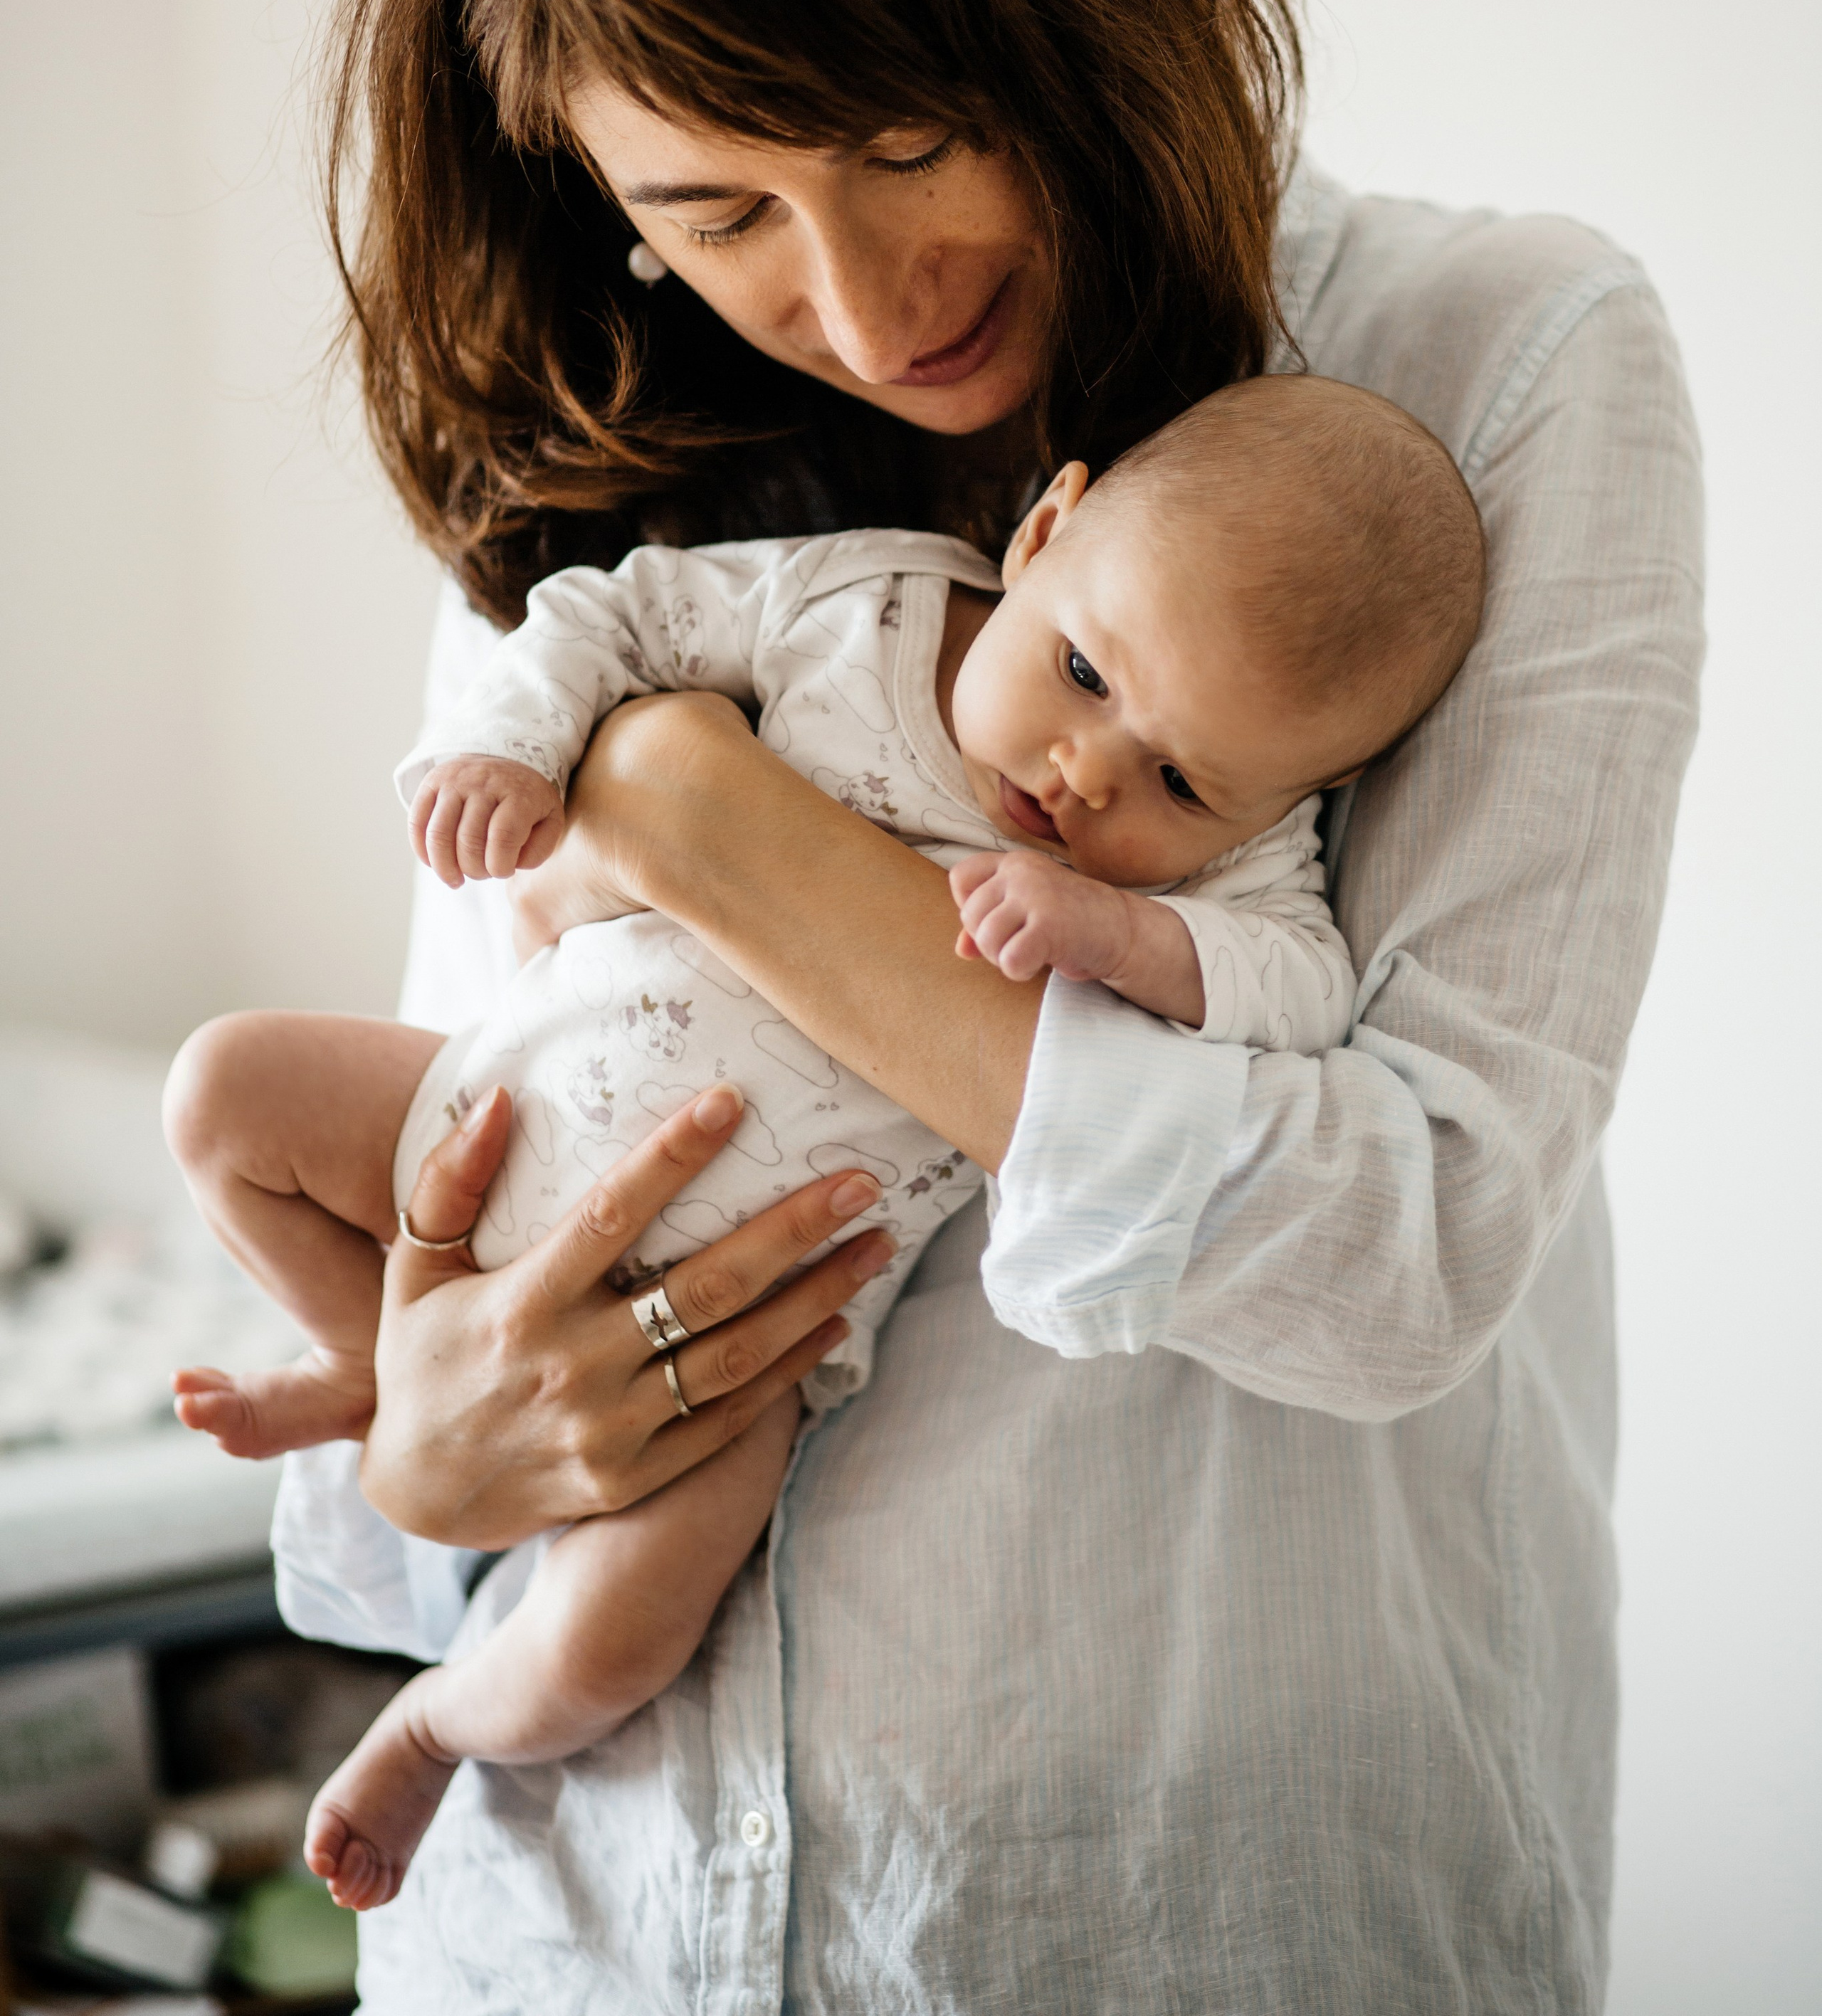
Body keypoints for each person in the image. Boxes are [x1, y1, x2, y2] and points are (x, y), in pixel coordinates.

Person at [262, 0, 1702, 2013]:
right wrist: (412, 1461)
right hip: (578, 1939)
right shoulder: (601, 504)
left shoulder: (1487, 373)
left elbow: (1407, 1258)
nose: (857, 292)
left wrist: (709, 826)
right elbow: (456, 1259)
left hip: (1179, 1931)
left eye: (905, 136)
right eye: (716, 209)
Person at [166, 375, 1484, 1910]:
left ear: (1285, 800)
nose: (1084, 771)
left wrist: (1126, 937)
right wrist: (512, 747)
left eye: (1178, 781)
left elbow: (1305, 986)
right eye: (1079, 671)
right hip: (491, 1104)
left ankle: (432, 1723)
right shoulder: (863, 602)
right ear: (1043, 531)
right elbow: (620, 616)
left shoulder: (1229, 872)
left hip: (744, 1346)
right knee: (224, 1095)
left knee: (609, 1639)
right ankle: (371, 1355)